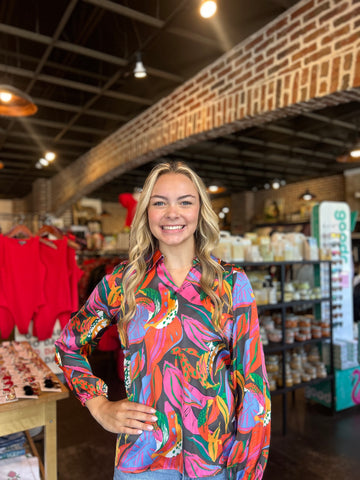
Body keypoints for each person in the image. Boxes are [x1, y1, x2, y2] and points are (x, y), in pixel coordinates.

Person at [55, 161, 271, 480]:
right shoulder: (122, 283)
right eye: (160, 202)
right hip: (143, 459)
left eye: (185, 201)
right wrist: (99, 405)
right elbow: (69, 345)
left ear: (200, 211)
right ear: (147, 213)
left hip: (215, 458)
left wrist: (248, 470)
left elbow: (252, 381)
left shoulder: (231, 284)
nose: (173, 213)